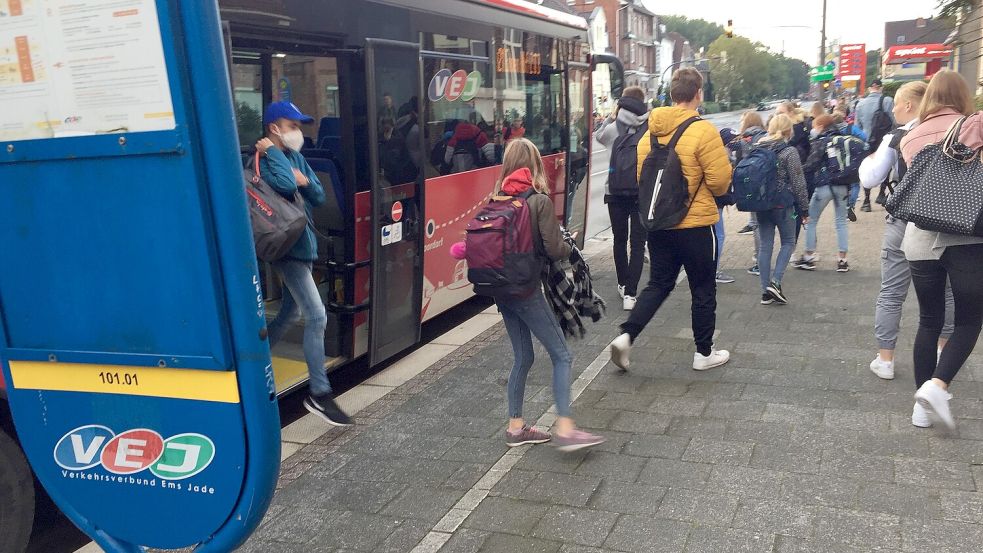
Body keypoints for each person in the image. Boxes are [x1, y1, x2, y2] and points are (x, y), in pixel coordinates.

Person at [609, 68, 733, 372]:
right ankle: (704, 353)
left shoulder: (649, 135)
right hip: (696, 226)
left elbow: (644, 179)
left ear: (672, 93)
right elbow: (719, 183)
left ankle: (627, 336)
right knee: (702, 288)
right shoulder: (704, 131)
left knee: (658, 284)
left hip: (660, 224)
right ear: (698, 93)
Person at [489, 138, 605, 451]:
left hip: (501, 290)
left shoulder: (496, 198)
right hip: (525, 291)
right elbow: (555, 249)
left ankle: (516, 428)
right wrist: (570, 243)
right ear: (534, 164)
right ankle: (565, 428)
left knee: (523, 356)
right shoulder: (538, 201)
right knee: (562, 355)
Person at [858, 81, 955, 418]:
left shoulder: (899, 137)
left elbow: (870, 178)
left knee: (891, 291)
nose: (894, 110)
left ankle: (885, 359)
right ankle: (943, 356)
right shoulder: (958, 128)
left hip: (905, 221)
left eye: (897, 105)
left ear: (910, 105)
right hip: (948, 223)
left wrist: (870, 158)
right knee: (946, 294)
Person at [256, 101, 352, 426]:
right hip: (287, 248)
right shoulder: (265, 159)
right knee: (317, 315)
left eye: (299, 125)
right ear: (274, 128)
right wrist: (274, 155)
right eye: (292, 125)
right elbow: (285, 185)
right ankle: (319, 393)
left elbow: (319, 195)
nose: (298, 131)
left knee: (291, 312)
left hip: (304, 243)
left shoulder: (295, 157)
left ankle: (254, 359)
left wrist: (304, 181)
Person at [898, 70, 983, 430]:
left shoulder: (911, 135)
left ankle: (921, 409)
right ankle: (937, 385)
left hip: (919, 237)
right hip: (965, 235)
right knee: (969, 319)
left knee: (929, 319)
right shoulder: (975, 125)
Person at [594, 86, 650, 310]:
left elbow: (598, 135)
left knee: (619, 240)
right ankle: (631, 294)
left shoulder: (612, 129)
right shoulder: (649, 127)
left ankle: (622, 282)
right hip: (640, 192)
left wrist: (611, 116)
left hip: (614, 193)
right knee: (638, 243)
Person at [752, 114, 810, 305]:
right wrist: (804, 209)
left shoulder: (757, 147)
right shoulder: (789, 151)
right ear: (788, 130)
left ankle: (764, 292)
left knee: (765, 245)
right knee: (788, 242)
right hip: (783, 205)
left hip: (761, 204)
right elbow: (798, 183)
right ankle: (775, 282)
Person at [794, 114, 851, 272]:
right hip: (843, 185)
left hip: (824, 185)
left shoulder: (821, 141)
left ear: (820, 127)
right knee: (841, 222)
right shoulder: (843, 139)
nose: (812, 129)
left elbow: (812, 163)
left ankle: (809, 257)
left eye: (814, 126)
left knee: (811, 220)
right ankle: (842, 260)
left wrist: (797, 171)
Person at [733, 112, 768, 275]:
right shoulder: (768, 137)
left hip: (751, 186)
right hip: (768, 184)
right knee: (767, 224)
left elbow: (739, 164)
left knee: (756, 224)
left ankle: (760, 260)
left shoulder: (743, 141)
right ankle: (766, 257)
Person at [855, 79, 896, 212]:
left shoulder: (860, 104)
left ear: (869, 89)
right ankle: (881, 193)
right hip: (883, 140)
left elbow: (857, 126)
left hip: (866, 140)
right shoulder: (887, 101)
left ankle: (866, 201)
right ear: (881, 88)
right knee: (886, 166)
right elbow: (894, 121)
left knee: (867, 168)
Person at [831, 110, 868, 222]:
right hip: (854, 158)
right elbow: (864, 136)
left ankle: (844, 205)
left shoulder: (833, 132)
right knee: (855, 183)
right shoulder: (851, 128)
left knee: (844, 184)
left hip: (840, 160)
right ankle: (851, 205)